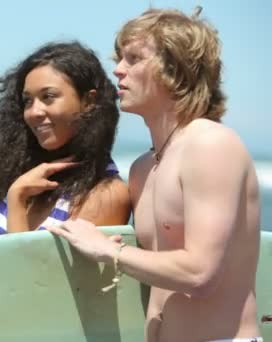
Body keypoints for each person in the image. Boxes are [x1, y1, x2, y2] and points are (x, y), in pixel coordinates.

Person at [47, 7, 262, 342]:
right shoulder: (143, 168)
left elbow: (201, 273)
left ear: (174, 69)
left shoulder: (211, 145)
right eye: (120, 58)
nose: (118, 70)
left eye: (134, 58)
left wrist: (111, 252)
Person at [0, 41, 131, 236]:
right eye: (28, 100)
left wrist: (18, 200)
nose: (34, 111)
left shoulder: (106, 194)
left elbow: (29, 267)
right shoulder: (12, 169)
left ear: (88, 101)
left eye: (48, 96)